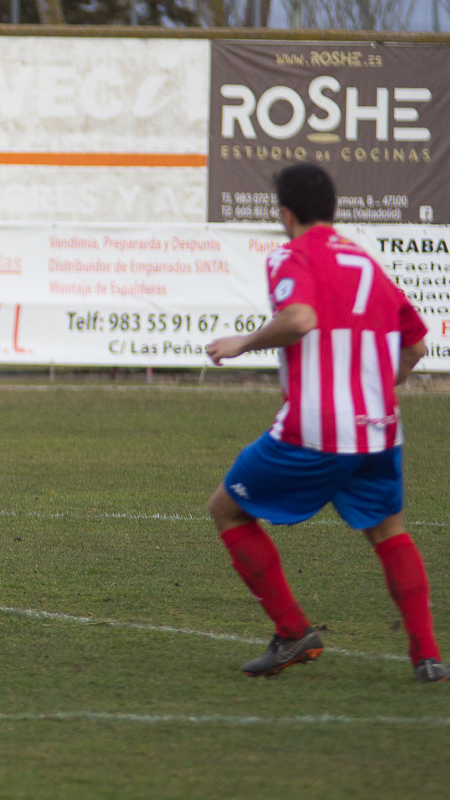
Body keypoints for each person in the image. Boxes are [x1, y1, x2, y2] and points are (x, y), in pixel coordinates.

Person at [204, 163, 445, 683]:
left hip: (314, 430)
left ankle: (292, 632)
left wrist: (241, 342)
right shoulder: (366, 263)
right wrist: (382, 384)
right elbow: (416, 346)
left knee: (227, 508)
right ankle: (427, 656)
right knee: (389, 532)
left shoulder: (291, 255)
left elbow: (301, 318)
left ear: (286, 213)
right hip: (379, 429)